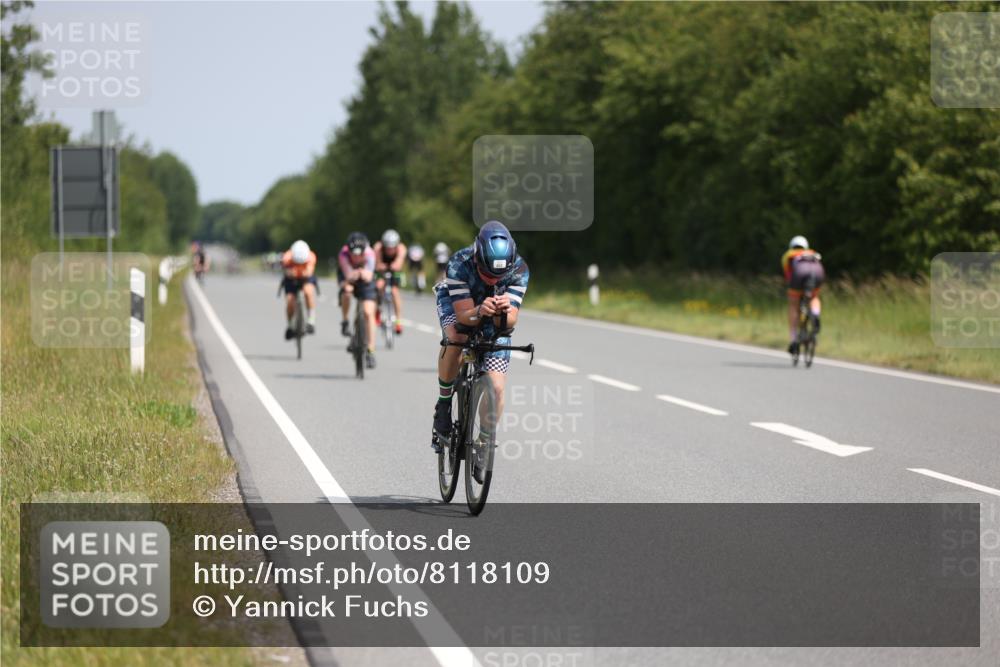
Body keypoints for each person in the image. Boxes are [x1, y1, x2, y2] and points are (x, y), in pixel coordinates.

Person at [431, 221, 529, 453]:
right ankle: (444, 403)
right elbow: (464, 315)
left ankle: (485, 441)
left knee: (496, 387)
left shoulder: (520, 269)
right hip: (459, 305)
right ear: (477, 258)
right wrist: (478, 311)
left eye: (499, 276)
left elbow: (511, 321)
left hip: (492, 311)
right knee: (456, 337)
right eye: (487, 273)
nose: (493, 281)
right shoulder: (458, 263)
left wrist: (504, 312)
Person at [338, 232, 378, 369]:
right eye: (353, 254)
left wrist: (362, 273)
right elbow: (348, 275)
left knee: (368, 312)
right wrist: (354, 275)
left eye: (358, 254)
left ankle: (371, 351)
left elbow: (368, 275)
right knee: (347, 292)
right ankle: (345, 321)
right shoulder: (343, 254)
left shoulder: (370, 253)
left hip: (365, 278)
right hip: (349, 276)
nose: (355, 257)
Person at [782, 235, 825, 355]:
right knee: (814, 297)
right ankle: (815, 314)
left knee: (793, 304)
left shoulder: (789, 254)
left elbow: (788, 275)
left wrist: (793, 290)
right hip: (817, 272)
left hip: (799, 274)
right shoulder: (812, 253)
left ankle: (794, 339)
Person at [372, 229, 407, 335]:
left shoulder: (401, 248)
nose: (389, 250)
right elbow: (376, 264)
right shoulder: (378, 248)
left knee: (394, 291)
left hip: (394, 270)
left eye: (392, 248)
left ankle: (398, 321)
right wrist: (380, 266)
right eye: (387, 247)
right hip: (381, 270)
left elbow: (399, 263)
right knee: (379, 286)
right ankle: (378, 309)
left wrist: (394, 265)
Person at [281, 240, 318, 339]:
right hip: (291, 279)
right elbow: (286, 271)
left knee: (308, 292)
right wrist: (290, 273)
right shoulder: (287, 257)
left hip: (305, 278)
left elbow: (309, 272)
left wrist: (301, 273)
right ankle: (290, 325)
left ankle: (311, 320)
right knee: (289, 300)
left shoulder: (311, 256)